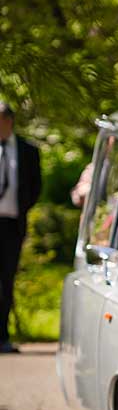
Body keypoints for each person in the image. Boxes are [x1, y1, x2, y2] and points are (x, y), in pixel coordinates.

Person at [0, 101, 42, 354]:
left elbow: (35, 186)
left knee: (6, 280)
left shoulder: (27, 150)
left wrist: (23, 207)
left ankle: (2, 336)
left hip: (12, 224)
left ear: (9, 122)